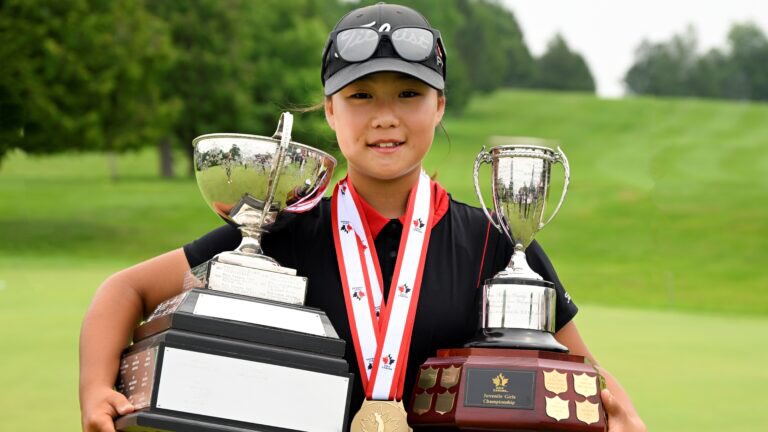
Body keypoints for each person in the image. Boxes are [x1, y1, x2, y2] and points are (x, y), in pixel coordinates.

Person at [79, 3, 646, 432]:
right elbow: (125, 291)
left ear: (440, 105)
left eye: (408, 94)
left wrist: (623, 416)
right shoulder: (280, 229)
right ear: (330, 110)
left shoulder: (493, 243)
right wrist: (96, 388)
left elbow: (583, 379)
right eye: (361, 96)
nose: (385, 117)